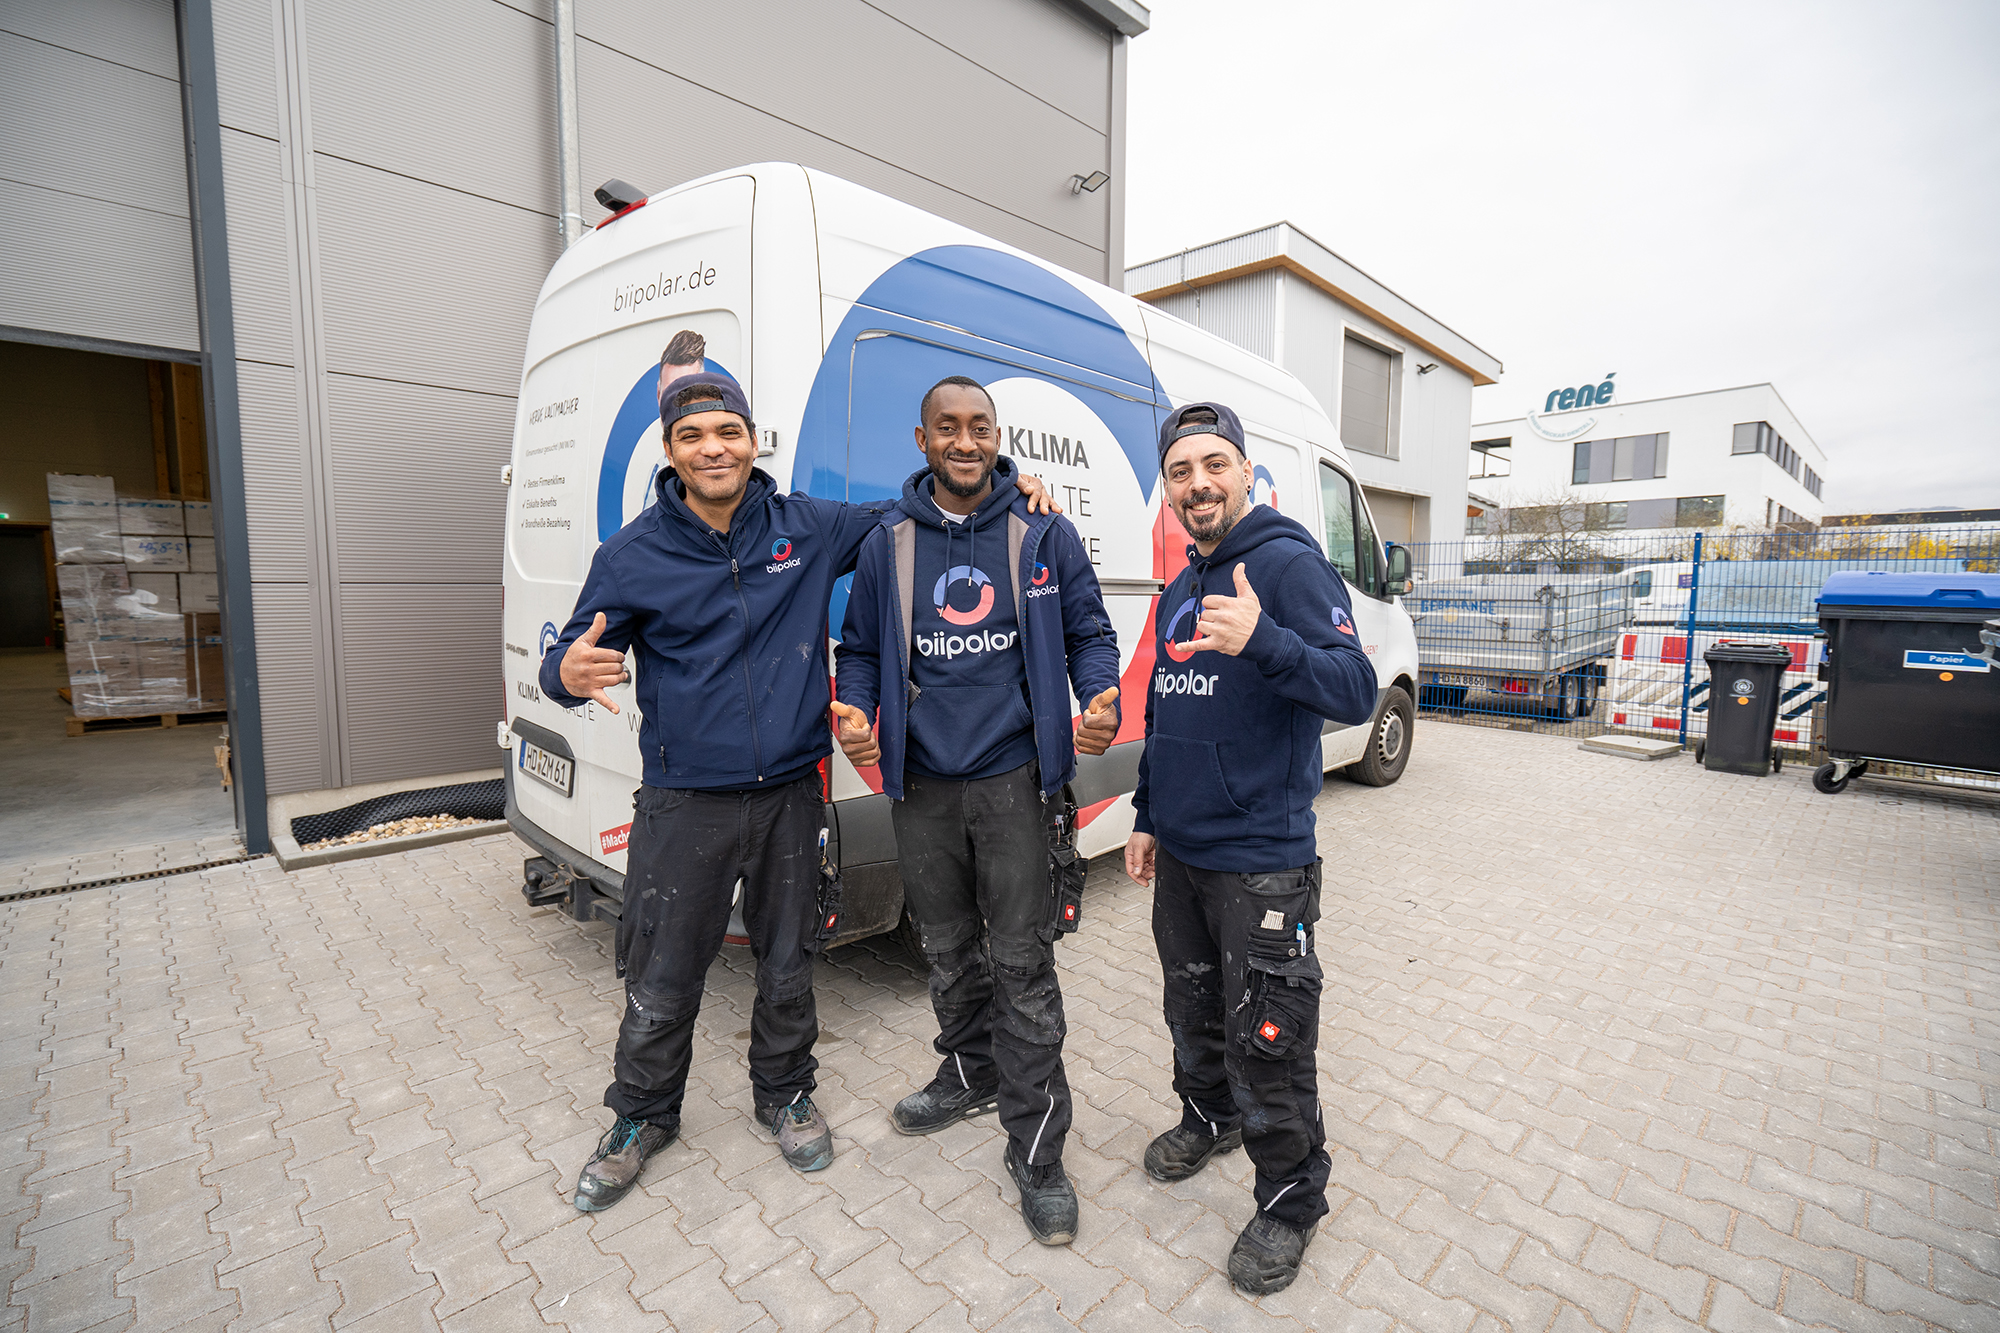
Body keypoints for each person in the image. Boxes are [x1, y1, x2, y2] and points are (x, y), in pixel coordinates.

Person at [542, 370, 1061, 1212]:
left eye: (729, 432)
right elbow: (571, 654)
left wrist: (1009, 485)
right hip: (684, 800)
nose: (714, 448)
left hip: (790, 794)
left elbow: (922, 508)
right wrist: (561, 673)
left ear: (753, 441)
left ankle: (785, 1092)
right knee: (663, 972)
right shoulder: (631, 555)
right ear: (670, 451)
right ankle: (640, 1114)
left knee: (788, 963)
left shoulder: (806, 527)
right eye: (692, 436)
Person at [832, 375, 1121, 1246]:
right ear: (922, 439)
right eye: (948, 427)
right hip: (920, 783)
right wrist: (857, 708)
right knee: (948, 947)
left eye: (980, 426)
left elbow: (1090, 632)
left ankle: (1037, 1150)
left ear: (999, 437)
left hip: (1014, 782)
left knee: (1022, 963)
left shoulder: (1042, 529)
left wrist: (1099, 694)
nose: (966, 440)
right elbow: (862, 649)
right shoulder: (887, 541)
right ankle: (968, 1071)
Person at [1122, 402, 1378, 1294]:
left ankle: (1290, 1202)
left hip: (1264, 857)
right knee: (1192, 1009)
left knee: (1269, 1037)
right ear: (1169, 487)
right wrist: (1146, 814)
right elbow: (1165, 714)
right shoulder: (1181, 585)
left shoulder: (1286, 562)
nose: (1198, 483)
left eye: (1214, 464)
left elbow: (1356, 687)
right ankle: (1210, 1116)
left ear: (1244, 472)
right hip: (1184, 856)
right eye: (1181, 470)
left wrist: (1265, 639)